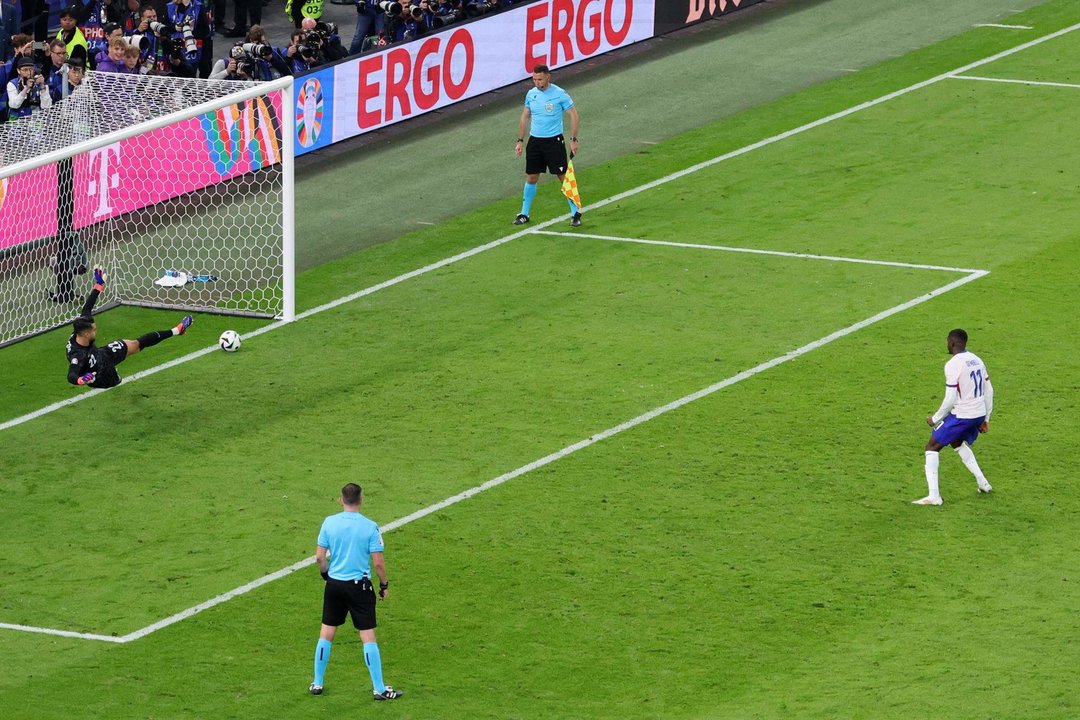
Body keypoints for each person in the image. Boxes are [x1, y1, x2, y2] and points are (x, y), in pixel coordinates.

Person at [310, 482, 403, 702]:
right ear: (361, 500)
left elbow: (319, 558)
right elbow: (378, 563)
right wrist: (384, 585)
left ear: (341, 500)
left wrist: (326, 575)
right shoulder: (370, 526)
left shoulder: (329, 523)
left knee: (326, 633)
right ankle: (379, 689)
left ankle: (317, 682)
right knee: (367, 636)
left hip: (334, 585)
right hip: (359, 587)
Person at [66, 267, 193, 389]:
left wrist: (99, 285)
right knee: (117, 380)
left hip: (102, 354)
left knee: (136, 344)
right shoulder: (77, 355)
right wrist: (81, 380)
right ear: (86, 334)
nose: (96, 330)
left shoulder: (81, 327)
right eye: (93, 330)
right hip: (100, 375)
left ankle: (177, 330)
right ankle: (115, 377)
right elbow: (71, 374)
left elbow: (87, 308)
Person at [913, 328, 995, 505]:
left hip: (963, 414)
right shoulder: (977, 360)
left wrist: (935, 419)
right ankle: (983, 483)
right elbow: (989, 390)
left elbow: (950, 398)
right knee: (956, 441)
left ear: (951, 342)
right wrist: (986, 418)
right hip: (978, 413)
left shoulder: (952, 364)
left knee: (931, 447)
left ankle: (934, 496)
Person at [513, 64, 582, 228]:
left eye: (540, 79)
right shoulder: (531, 94)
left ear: (548, 77)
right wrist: (520, 141)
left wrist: (573, 139)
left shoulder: (560, 94)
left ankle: (575, 213)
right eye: (534, 79)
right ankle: (524, 213)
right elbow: (525, 117)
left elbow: (574, 115)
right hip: (535, 142)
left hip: (554, 141)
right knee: (531, 177)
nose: (537, 82)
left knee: (563, 177)